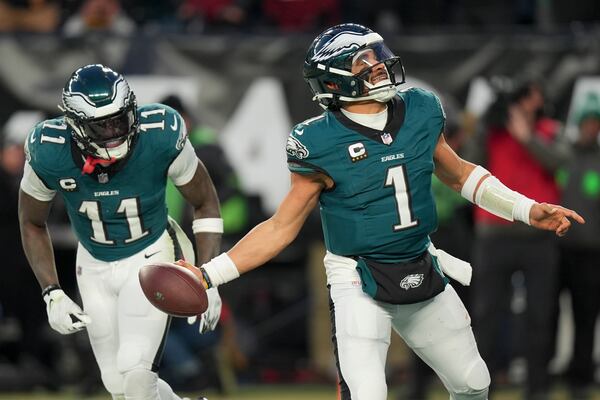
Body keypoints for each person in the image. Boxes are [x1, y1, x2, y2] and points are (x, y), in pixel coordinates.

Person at [179, 24, 584, 400]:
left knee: (473, 382)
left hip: (421, 262)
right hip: (358, 276)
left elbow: (460, 174)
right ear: (337, 79)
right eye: (364, 62)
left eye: (377, 54)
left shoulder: (421, 109)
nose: (379, 65)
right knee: (368, 393)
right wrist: (209, 274)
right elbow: (281, 227)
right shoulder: (317, 140)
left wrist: (526, 209)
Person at [18, 64, 222, 400]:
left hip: (150, 255)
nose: (114, 131)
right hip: (93, 262)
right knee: (117, 386)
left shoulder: (160, 133)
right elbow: (31, 222)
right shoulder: (48, 149)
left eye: (119, 119)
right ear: (75, 125)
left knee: (137, 376)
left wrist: (208, 274)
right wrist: (51, 291)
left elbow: (206, 202)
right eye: (101, 125)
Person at [468, 80, 571, 398]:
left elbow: (559, 160)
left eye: (532, 95)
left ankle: (537, 388)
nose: (530, 101)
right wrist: (485, 124)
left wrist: (527, 137)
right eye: (524, 96)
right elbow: (469, 163)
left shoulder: (549, 129)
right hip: (494, 235)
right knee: (486, 313)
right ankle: (481, 387)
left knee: (540, 314)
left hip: (537, 238)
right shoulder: (493, 131)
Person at [555, 95, 600, 399]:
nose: (591, 128)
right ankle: (543, 372)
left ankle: (580, 377)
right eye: (587, 122)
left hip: (591, 252)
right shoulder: (561, 155)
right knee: (546, 314)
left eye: (596, 123)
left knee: (586, 315)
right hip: (556, 250)